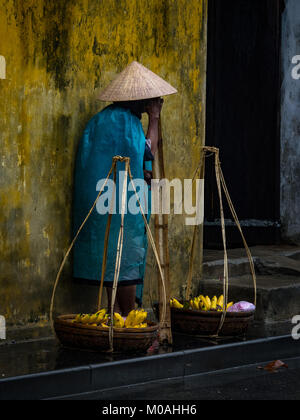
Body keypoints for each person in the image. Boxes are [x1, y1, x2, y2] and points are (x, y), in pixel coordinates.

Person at [73, 61, 177, 316]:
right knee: (127, 257)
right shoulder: (127, 123)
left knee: (112, 256)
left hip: (98, 199)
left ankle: (114, 317)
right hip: (122, 202)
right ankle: (130, 320)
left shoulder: (101, 120)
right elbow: (147, 155)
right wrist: (154, 118)